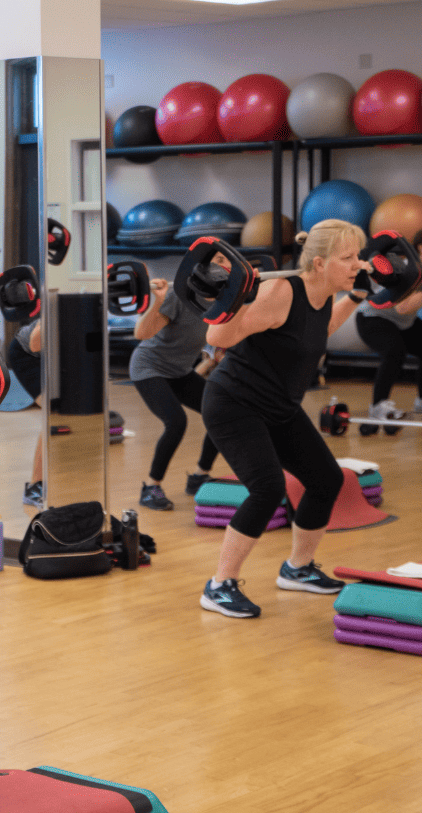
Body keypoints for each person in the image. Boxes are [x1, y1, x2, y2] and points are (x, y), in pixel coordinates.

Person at [198, 219, 368, 619]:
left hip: (279, 407)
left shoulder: (324, 293)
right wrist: (233, 298)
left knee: (327, 480)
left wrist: (358, 296)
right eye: (349, 258)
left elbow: (318, 330)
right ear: (320, 263)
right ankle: (219, 585)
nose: (358, 264)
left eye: (358, 256)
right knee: (267, 488)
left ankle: (297, 568)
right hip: (234, 403)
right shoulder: (280, 291)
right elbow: (216, 340)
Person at [128, 257, 224, 511]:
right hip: (150, 367)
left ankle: (199, 476)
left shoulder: (224, 300)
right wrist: (157, 301)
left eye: (224, 260)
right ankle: (151, 487)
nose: (218, 265)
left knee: (222, 413)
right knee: (176, 422)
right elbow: (141, 334)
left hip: (180, 371)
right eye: (213, 260)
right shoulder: (179, 296)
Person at [355, 226, 422, 422]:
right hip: (374, 319)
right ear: (421, 248)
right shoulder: (404, 268)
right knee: (394, 352)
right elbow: (402, 307)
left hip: (403, 323)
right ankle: (378, 406)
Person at [6, 319, 44, 507]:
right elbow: (35, 344)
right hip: (26, 354)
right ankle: (35, 487)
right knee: (52, 415)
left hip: (53, 356)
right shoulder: (57, 300)